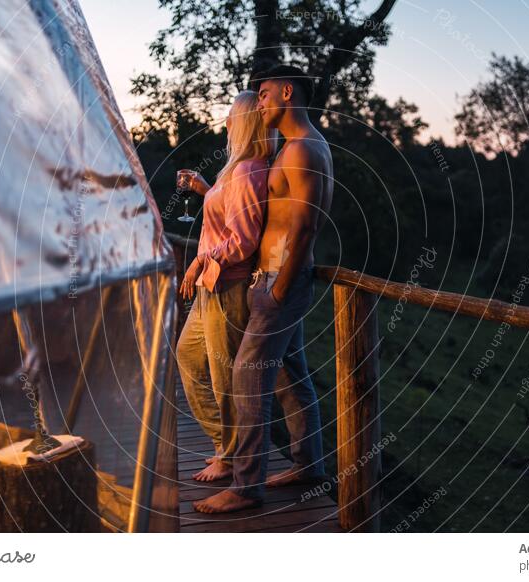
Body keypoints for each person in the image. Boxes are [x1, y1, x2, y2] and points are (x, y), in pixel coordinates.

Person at [194, 65, 333, 513]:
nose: (262, 102)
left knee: (247, 379)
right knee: (292, 376)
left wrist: (278, 289)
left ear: (287, 92)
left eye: (266, 93)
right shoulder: (301, 147)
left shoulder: (301, 151)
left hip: (279, 282)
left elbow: (306, 227)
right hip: (273, 281)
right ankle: (308, 465)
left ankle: (245, 487)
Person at [175, 90, 275, 482]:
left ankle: (231, 455)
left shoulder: (250, 169)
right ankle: (224, 444)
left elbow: (244, 239)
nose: (227, 123)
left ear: (245, 121)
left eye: (232, 116)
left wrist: (199, 260)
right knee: (187, 356)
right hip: (210, 286)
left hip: (226, 287)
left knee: (222, 377)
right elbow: (229, 217)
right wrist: (205, 191)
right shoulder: (237, 169)